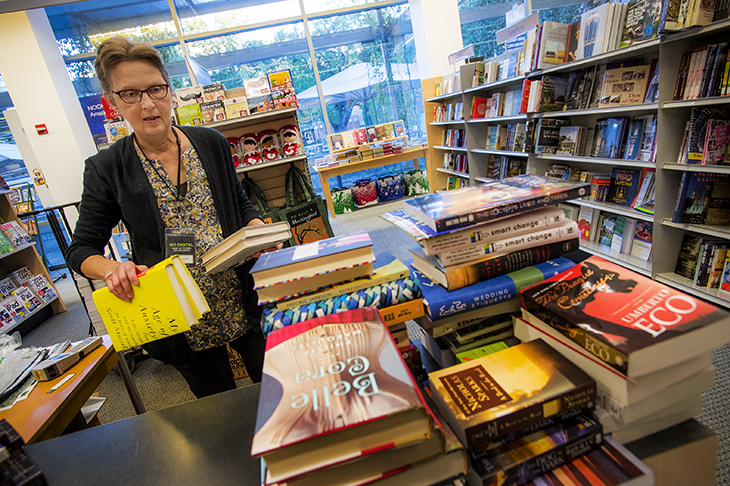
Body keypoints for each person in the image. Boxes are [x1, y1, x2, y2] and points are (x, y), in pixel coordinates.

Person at [66, 37, 278, 399]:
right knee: (221, 411)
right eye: (130, 94)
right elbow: (81, 249)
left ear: (170, 91)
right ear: (113, 103)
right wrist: (110, 270)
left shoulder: (210, 142)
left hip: (241, 299)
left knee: (278, 388)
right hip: (182, 318)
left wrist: (255, 226)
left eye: (156, 89)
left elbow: (240, 202)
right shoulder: (107, 169)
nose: (148, 104)